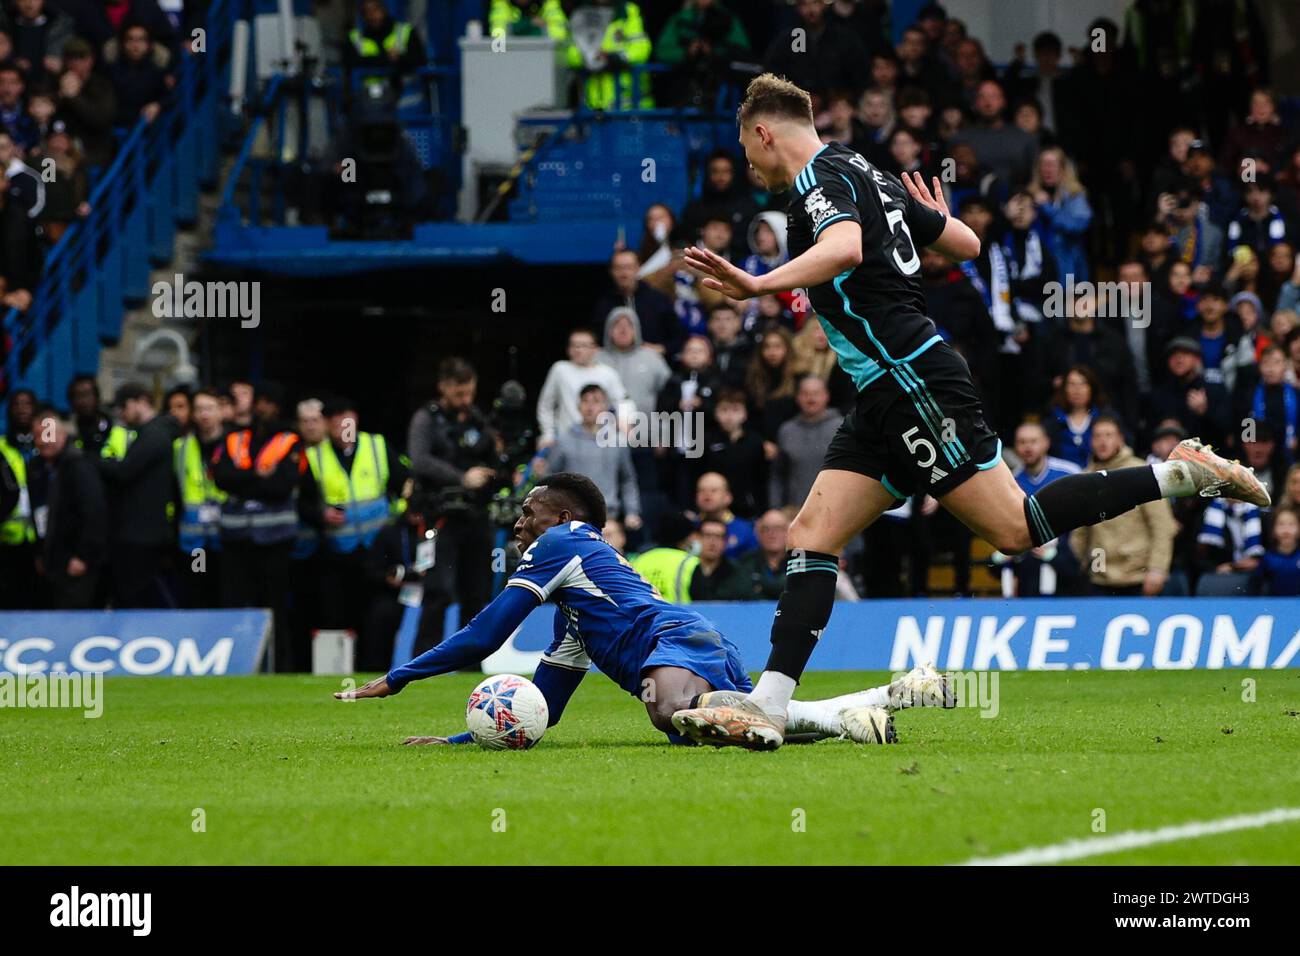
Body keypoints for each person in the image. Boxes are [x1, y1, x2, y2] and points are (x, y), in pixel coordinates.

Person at [676, 74, 1269, 749]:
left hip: (912, 379)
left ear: (762, 132)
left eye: (745, 149)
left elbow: (844, 248)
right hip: (884, 393)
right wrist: (924, 211)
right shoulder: (864, 169)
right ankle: (771, 705)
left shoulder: (819, 183)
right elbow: (966, 243)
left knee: (1016, 528)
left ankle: (1180, 473)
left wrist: (757, 285)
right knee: (811, 533)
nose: (748, 165)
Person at [337, 472, 948, 746]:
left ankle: (848, 712)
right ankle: (879, 704)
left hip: (675, 642)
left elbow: (482, 635)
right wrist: (457, 738)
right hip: (692, 646)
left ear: (565, 519)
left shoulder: (561, 545)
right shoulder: (574, 614)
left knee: (669, 714)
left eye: (532, 510)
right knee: (737, 722)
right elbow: (543, 711)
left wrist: (397, 678)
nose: (521, 521)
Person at [404, 358, 499, 655]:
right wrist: (462, 478)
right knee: (438, 592)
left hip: (475, 516)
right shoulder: (426, 419)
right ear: (443, 387)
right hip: (439, 518)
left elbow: (492, 458)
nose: (465, 400)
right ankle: (422, 662)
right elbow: (419, 460)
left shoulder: (477, 419)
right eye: (459, 394)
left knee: (476, 594)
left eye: (469, 393)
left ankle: (471, 664)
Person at [211, 381, 308, 671]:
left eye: (265, 402)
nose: (260, 408)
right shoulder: (235, 438)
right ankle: (237, 664)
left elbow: (283, 484)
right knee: (236, 602)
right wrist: (258, 475)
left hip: (275, 538)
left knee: (276, 605)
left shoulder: (290, 440)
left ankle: (279, 666)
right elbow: (222, 477)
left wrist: (245, 480)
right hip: (237, 538)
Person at [302, 396, 408, 643]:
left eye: (345, 419)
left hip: (378, 549)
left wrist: (396, 524)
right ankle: (341, 669)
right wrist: (321, 515)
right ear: (327, 425)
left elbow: (405, 485)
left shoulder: (377, 446)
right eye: (335, 421)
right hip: (339, 552)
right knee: (338, 612)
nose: (341, 427)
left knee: (378, 613)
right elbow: (302, 503)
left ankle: (376, 668)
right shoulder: (314, 456)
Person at [1069, 416, 1177, 597]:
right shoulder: (1085, 478)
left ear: (1121, 439)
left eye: (1109, 435)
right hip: (1099, 578)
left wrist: (1157, 569)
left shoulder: (1142, 472)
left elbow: (1162, 526)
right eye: (1097, 436)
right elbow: (1080, 531)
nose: (1103, 442)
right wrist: (1079, 566)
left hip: (1139, 577)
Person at [96, 383, 181, 608]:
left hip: (143, 534)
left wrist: (98, 461)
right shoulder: (151, 434)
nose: (122, 415)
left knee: (138, 596)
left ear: (141, 401)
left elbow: (125, 472)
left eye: (124, 407)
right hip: (145, 532)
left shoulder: (154, 435)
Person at [32, 406, 106, 609]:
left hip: (75, 561)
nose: (44, 440)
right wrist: (41, 552)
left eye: (49, 434)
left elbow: (94, 513)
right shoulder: (38, 469)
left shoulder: (78, 465)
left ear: (63, 435)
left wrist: (84, 556)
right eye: (39, 435)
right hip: (51, 561)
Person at [544, 383, 641, 533]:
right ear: (578, 406)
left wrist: (632, 512)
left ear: (605, 407)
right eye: (585, 401)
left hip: (608, 519)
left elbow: (627, 480)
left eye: (595, 401)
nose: (590, 407)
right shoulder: (564, 441)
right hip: (572, 520)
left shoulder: (617, 441)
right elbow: (550, 480)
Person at [173, 387, 226, 608]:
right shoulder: (181, 446)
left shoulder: (234, 443)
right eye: (200, 409)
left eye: (210, 408)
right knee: (197, 588)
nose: (204, 414)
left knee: (226, 591)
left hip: (227, 536)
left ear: (220, 411)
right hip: (195, 540)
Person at [535, 327, 626, 446]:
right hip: (567, 439)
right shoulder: (560, 370)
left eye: (583, 345)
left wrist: (622, 432)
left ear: (595, 349)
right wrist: (548, 433)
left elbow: (623, 403)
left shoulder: (608, 373)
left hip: (600, 440)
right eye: (574, 345)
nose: (578, 350)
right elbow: (545, 405)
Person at [1250, 506, 1300, 596]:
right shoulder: (1268, 558)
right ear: (1273, 529)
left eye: (1291, 524)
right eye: (1281, 524)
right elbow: (1256, 587)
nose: (1286, 529)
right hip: (1275, 605)